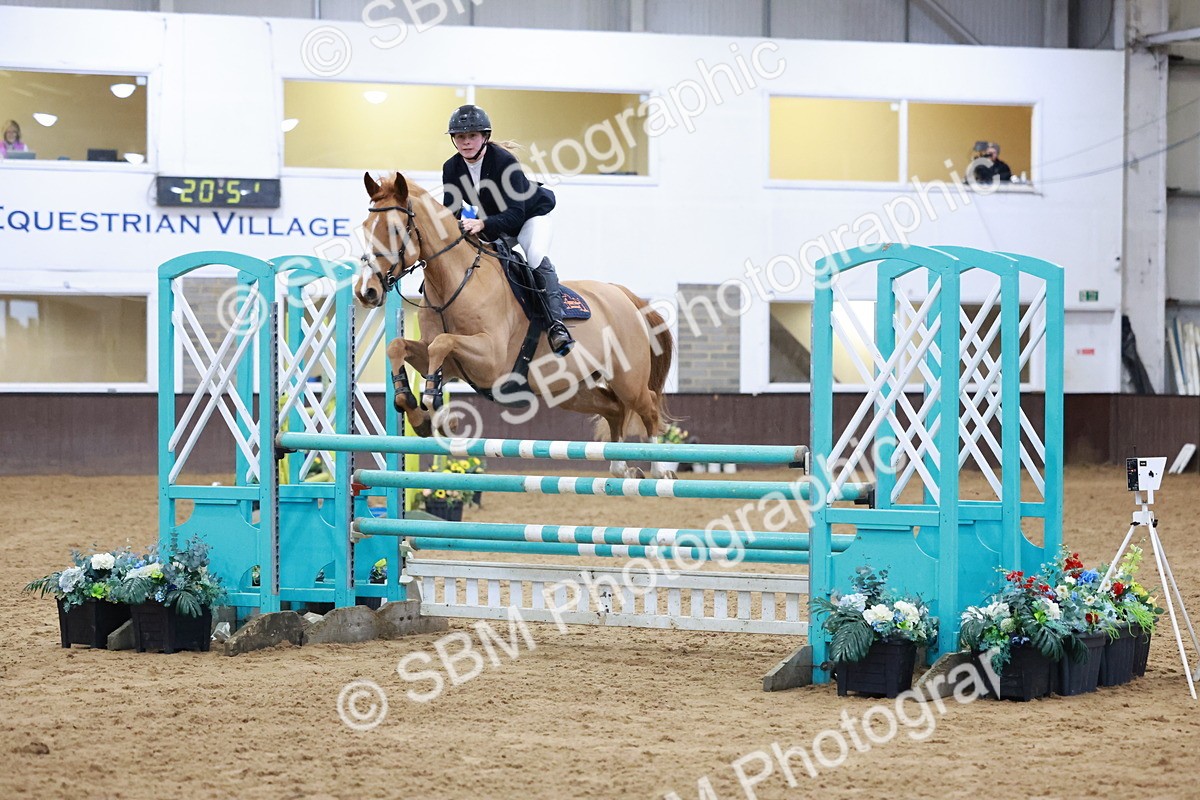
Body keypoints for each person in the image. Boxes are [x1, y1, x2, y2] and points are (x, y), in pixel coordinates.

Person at [440, 104, 574, 356]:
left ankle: (557, 327)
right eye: (460, 136)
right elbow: (452, 209)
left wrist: (481, 224)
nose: (466, 142)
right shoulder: (452, 168)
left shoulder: (504, 161)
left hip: (529, 218)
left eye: (472, 136)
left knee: (534, 257)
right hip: (493, 223)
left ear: (485, 137)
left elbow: (516, 214)